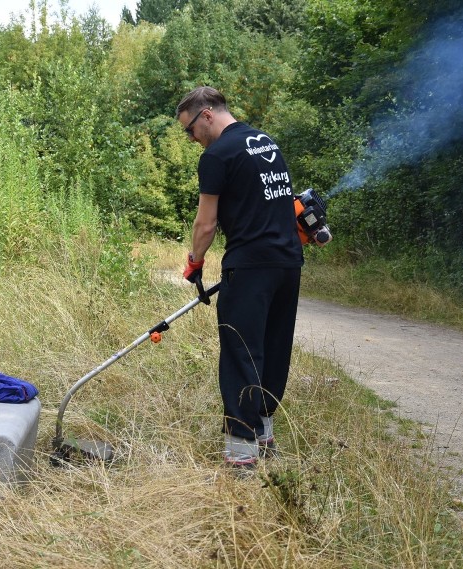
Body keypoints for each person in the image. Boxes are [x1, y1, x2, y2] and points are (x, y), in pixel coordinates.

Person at [176, 86, 304, 470]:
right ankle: (264, 432)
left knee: (240, 351)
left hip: (250, 266)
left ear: (207, 115)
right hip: (288, 265)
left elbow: (206, 222)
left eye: (190, 130)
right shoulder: (265, 142)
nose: (192, 140)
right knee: (273, 348)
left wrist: (195, 261)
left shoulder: (218, 154)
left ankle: (241, 451)